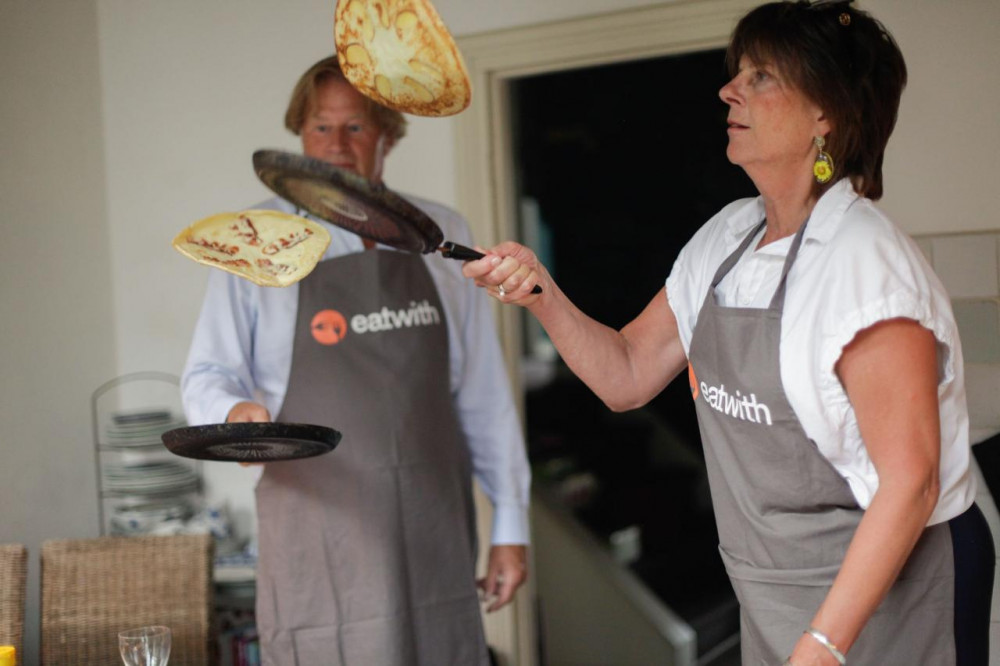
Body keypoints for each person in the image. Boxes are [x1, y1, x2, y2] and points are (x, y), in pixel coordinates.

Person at [462, 2, 995, 664]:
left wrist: (822, 648)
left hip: (891, 579)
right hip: (771, 579)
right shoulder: (728, 235)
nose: (728, 89)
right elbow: (626, 374)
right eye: (738, 72)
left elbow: (909, 483)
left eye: (762, 76)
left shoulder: (866, 269)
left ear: (825, 115)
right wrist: (539, 291)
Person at [181, 55, 531, 666]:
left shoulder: (442, 233)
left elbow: (482, 393)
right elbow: (208, 373)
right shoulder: (255, 240)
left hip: (432, 521)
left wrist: (510, 525)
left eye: (356, 128)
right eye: (321, 127)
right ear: (298, 134)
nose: (336, 147)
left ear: (388, 135)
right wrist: (235, 412)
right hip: (320, 524)